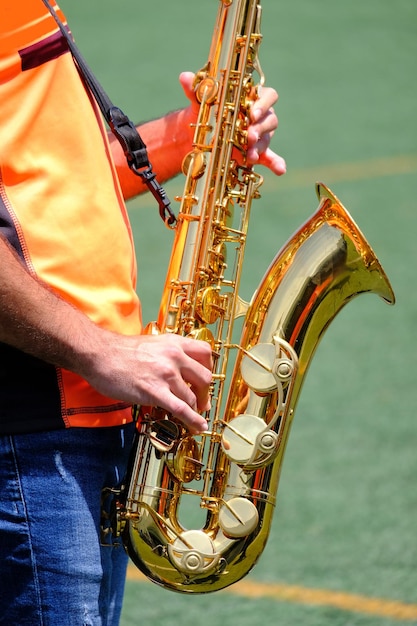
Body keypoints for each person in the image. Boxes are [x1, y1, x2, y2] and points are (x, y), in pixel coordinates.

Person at [0, 1, 286, 624]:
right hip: (30, 432)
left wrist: (198, 136)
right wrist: (100, 350)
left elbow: (52, 175)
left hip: (82, 417)